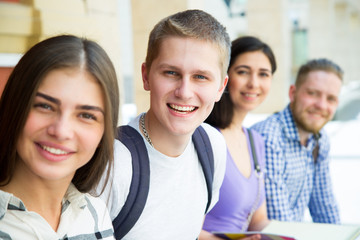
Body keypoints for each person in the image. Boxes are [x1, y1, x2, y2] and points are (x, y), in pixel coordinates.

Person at [98, 9, 230, 239]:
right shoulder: (113, 163)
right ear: (146, 76)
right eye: (171, 72)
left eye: (201, 77)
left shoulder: (212, 146)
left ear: (220, 87)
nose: (184, 92)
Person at [0, 35, 119, 239]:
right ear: (14, 106)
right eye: (45, 106)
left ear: (103, 133)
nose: (61, 131)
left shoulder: (96, 216)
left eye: (86, 115)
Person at [199, 36, 277, 240]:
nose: (254, 83)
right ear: (224, 77)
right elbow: (181, 222)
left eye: (263, 74)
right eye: (243, 72)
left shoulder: (255, 141)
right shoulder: (203, 136)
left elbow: (258, 220)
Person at [251, 58, 343, 224]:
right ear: (292, 93)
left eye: (331, 99)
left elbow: (324, 206)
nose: (321, 105)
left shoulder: (320, 139)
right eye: (312, 93)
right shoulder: (269, 137)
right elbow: (278, 226)